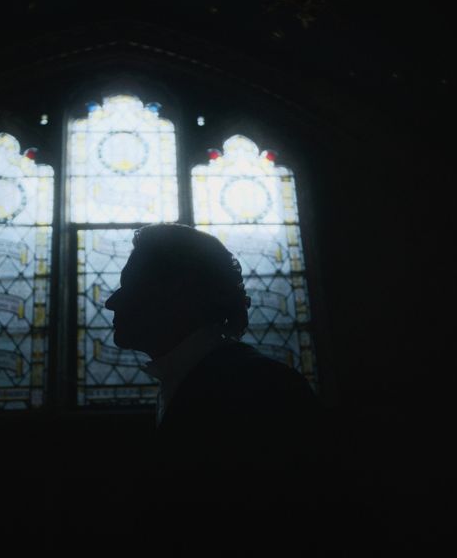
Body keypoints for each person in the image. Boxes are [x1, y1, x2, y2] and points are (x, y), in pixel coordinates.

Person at [105, 223, 337, 557]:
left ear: (178, 295)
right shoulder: (216, 379)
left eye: (131, 286)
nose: (113, 302)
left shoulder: (262, 392)